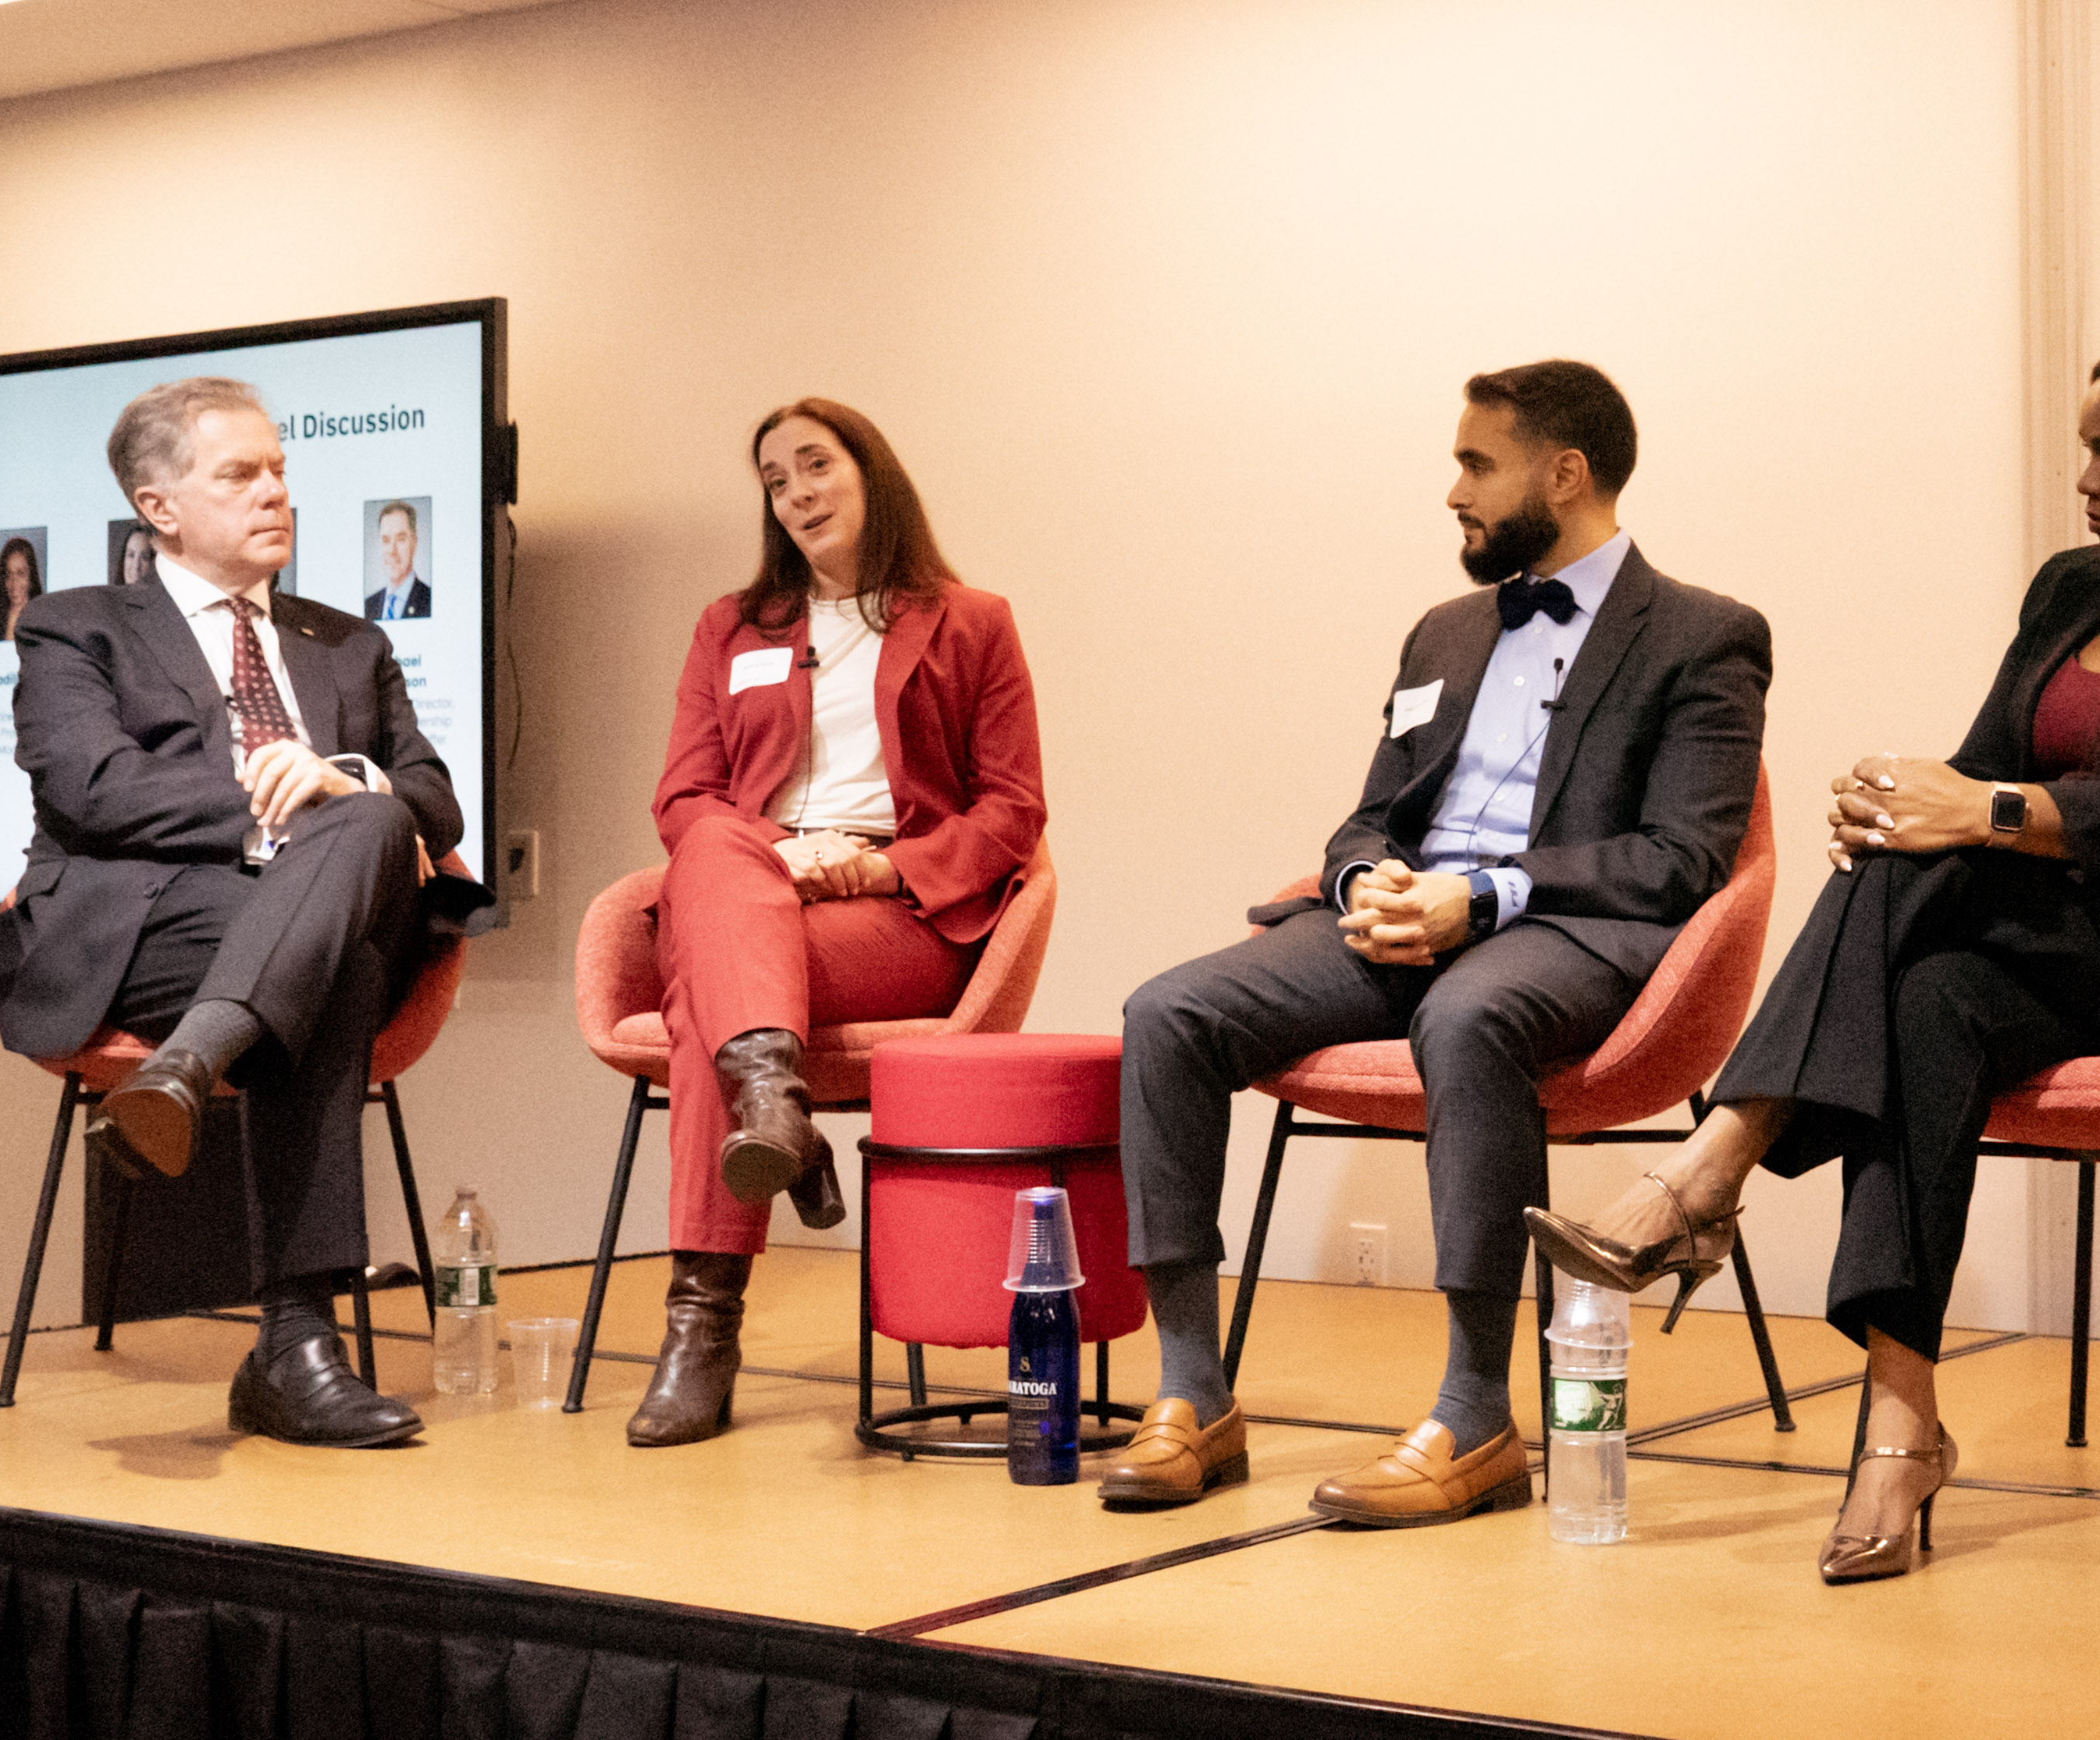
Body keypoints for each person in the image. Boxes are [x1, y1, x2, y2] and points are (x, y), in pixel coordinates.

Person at [1528, 318, 2100, 1583]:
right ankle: (1899, 1415)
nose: (2084, 480)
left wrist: (1981, 814)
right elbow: (1985, 765)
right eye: (2082, 451)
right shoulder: (2072, 586)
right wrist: (1907, 801)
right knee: (1926, 992)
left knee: (1926, 870)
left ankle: (1712, 1163)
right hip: (2063, 939)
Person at [1104, 361, 1769, 1526]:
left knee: (1466, 1018)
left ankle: (1476, 1417)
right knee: (1168, 1012)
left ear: (1563, 474)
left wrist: (1487, 894)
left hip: (1569, 933)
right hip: (1407, 922)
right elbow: (1371, 814)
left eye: (1475, 463)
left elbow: (1680, 858)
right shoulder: (1446, 629)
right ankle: (1190, 1395)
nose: (1452, 491)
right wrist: (1367, 879)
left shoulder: (1706, 634)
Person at [0, 376, 490, 1448]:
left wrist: (335, 784)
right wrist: (274, 797)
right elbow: (93, 790)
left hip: (297, 917)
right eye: (241, 474)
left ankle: (189, 1065)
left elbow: (436, 800)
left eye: (280, 470)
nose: (276, 492)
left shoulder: (348, 643)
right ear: (158, 505)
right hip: (150, 922)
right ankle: (297, 1344)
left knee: (362, 818)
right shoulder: (76, 628)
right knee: (336, 960)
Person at [628, 398, 1043, 1446]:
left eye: (816, 465)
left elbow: (1012, 809)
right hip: (755, 887)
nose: (798, 491)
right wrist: (776, 855)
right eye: (776, 479)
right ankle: (773, 1098)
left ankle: (702, 1327)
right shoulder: (733, 626)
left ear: (871, 473)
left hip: (895, 916)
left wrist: (871, 866)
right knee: (718, 848)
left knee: (699, 999)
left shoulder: (972, 619)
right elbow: (682, 799)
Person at [365, 500, 431, 621]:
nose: (392, 551)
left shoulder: (430, 600)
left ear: (414, 543)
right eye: (386, 540)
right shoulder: (369, 605)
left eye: (401, 539)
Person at [0, 536, 41, 643]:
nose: (14, 583)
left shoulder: (43, 620)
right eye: (8, 575)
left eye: (20, 573)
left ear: (31, 578)